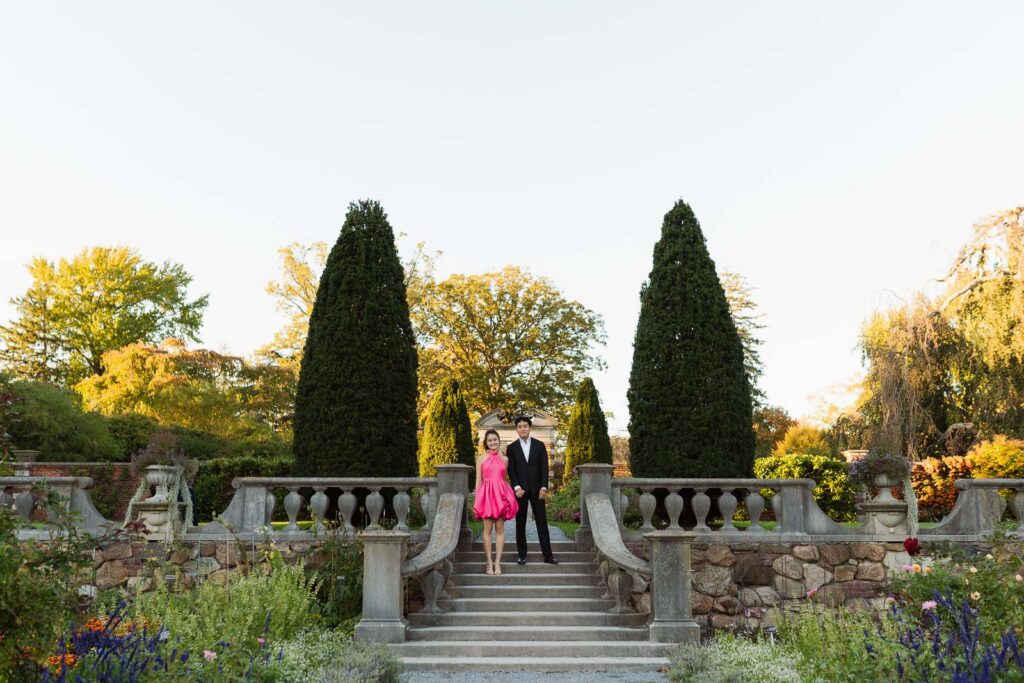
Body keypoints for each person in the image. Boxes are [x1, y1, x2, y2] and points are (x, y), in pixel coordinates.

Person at [506, 415, 559, 565]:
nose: (522, 428)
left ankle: (548, 555)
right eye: (519, 426)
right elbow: (511, 470)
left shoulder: (539, 445)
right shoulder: (512, 448)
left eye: (525, 426)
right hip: (520, 491)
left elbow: (544, 467)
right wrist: (516, 487)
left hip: (538, 490)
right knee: (520, 523)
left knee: (542, 523)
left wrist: (544, 486)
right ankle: (521, 555)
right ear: (517, 429)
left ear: (530, 428)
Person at [472, 429, 517, 575]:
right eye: (490, 440)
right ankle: (488, 563)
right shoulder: (481, 459)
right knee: (487, 530)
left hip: (501, 495)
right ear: (486, 443)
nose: (493, 442)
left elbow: (508, 478)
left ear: (499, 440)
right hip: (486, 496)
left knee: (500, 530)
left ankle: (498, 563)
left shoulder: (505, 459)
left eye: (495, 439)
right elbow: (478, 481)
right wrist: (477, 500)